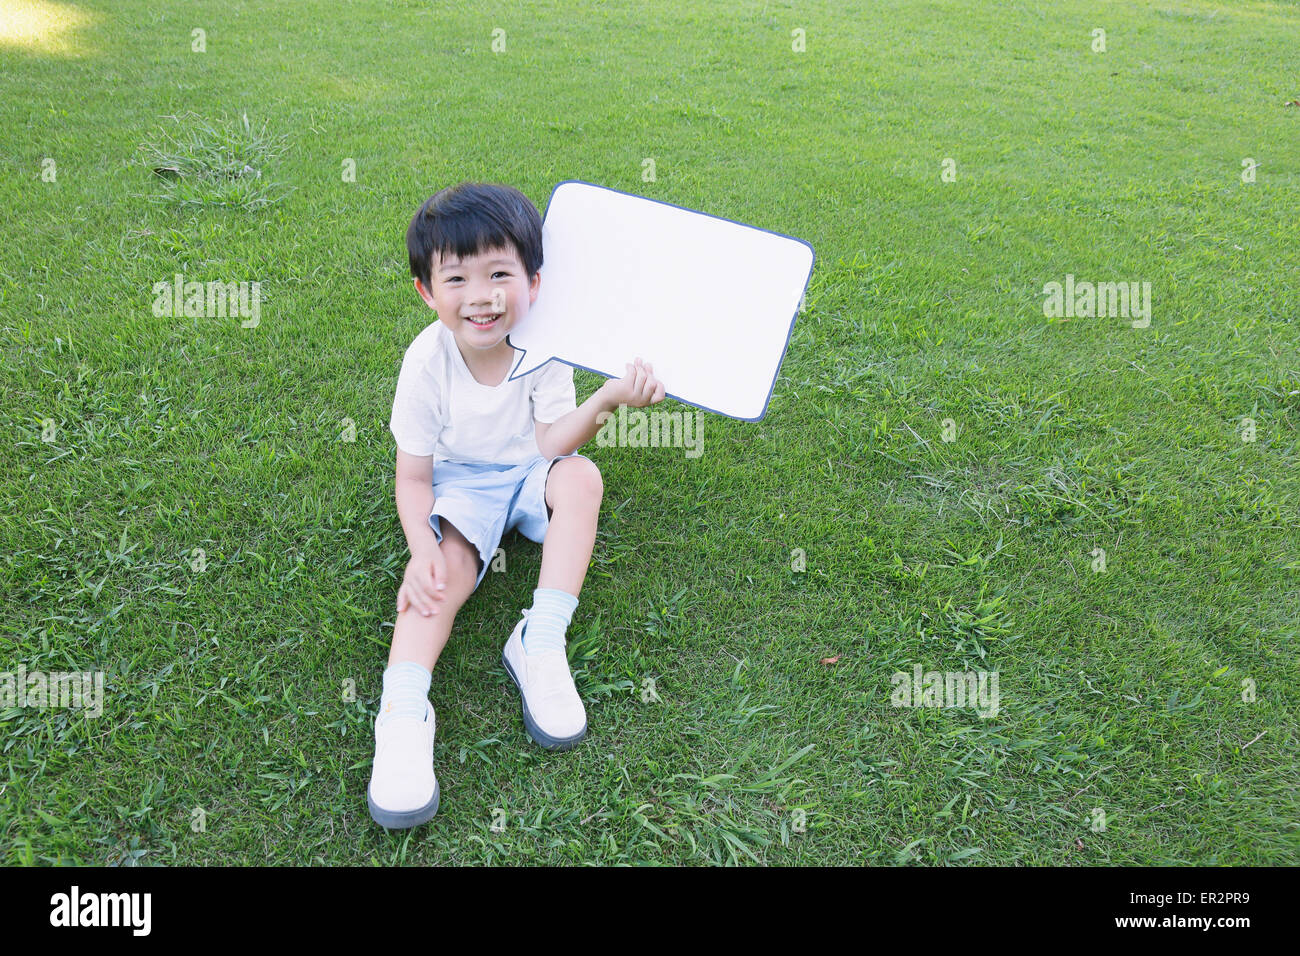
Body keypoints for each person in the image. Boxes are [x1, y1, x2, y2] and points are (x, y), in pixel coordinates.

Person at [368, 182, 665, 828]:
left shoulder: (542, 345)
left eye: (501, 273)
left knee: (582, 478)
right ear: (426, 290)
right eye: (458, 278)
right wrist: (421, 550)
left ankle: (539, 638)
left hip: (530, 471)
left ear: (535, 280)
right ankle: (402, 711)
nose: (483, 296)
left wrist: (607, 400)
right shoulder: (426, 363)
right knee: (437, 578)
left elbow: (552, 441)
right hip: (464, 487)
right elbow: (414, 478)